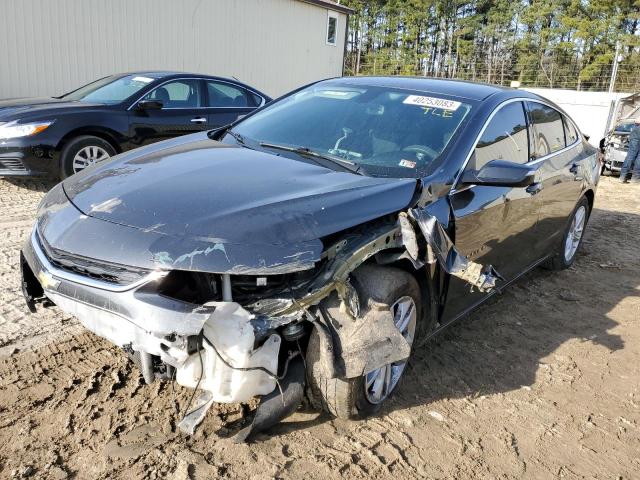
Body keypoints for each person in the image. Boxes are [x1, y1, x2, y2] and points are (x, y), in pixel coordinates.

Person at [620, 117, 640, 183]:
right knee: (638, 157)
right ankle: (635, 178)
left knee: (631, 155)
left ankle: (623, 176)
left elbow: (637, 121)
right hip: (637, 131)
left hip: (636, 132)